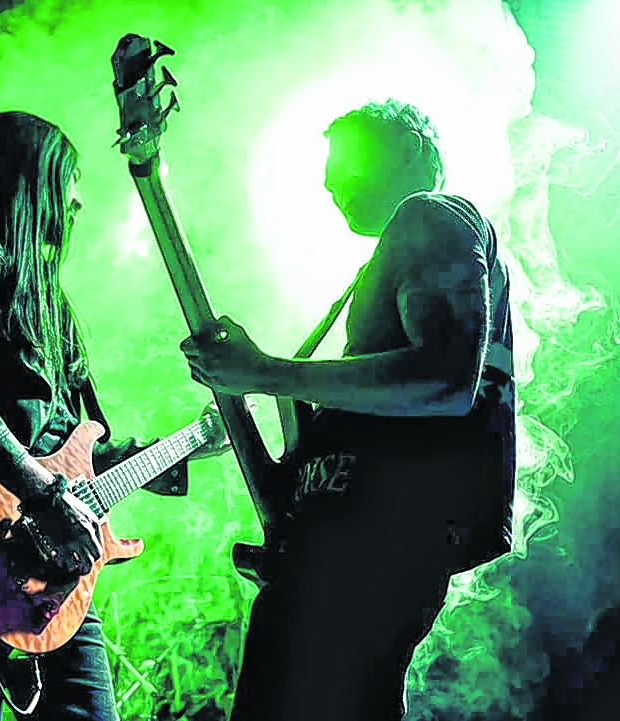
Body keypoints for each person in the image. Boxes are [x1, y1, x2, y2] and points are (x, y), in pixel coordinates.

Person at [0, 111, 227, 721]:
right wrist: (40, 492)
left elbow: (64, 447)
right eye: (68, 181)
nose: (78, 202)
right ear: (29, 178)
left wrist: (191, 442)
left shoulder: (48, 302)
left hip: (54, 576)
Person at [181, 100, 516, 720]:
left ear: (410, 150)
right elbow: (297, 481)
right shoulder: (379, 268)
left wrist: (266, 372)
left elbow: (447, 381)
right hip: (330, 555)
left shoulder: (433, 215)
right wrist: (238, 396)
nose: (329, 182)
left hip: (374, 552)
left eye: (346, 161)